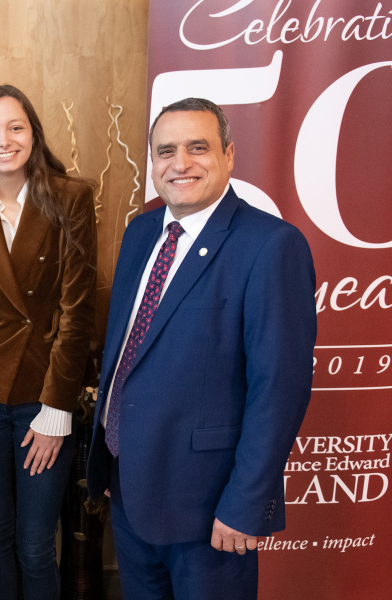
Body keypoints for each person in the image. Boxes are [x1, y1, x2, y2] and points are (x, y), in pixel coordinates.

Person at [85, 97, 317, 599]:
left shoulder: (271, 245)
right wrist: (109, 457)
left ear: (229, 155)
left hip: (209, 508)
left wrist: (245, 504)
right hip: (129, 490)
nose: (180, 163)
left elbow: (280, 388)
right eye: (166, 151)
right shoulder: (141, 232)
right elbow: (126, 352)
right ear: (152, 164)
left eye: (198, 147)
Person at [0, 84, 97, 600]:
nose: (3, 140)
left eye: (15, 127)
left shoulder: (69, 197)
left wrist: (57, 409)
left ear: (33, 133)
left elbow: (77, 313)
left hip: (42, 393)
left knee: (34, 544)